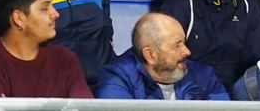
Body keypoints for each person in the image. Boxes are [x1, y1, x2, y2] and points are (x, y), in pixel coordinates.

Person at [96, 12, 230, 100]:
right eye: (177, 45)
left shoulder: (203, 75)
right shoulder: (117, 78)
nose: (187, 51)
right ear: (150, 55)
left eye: (184, 43)